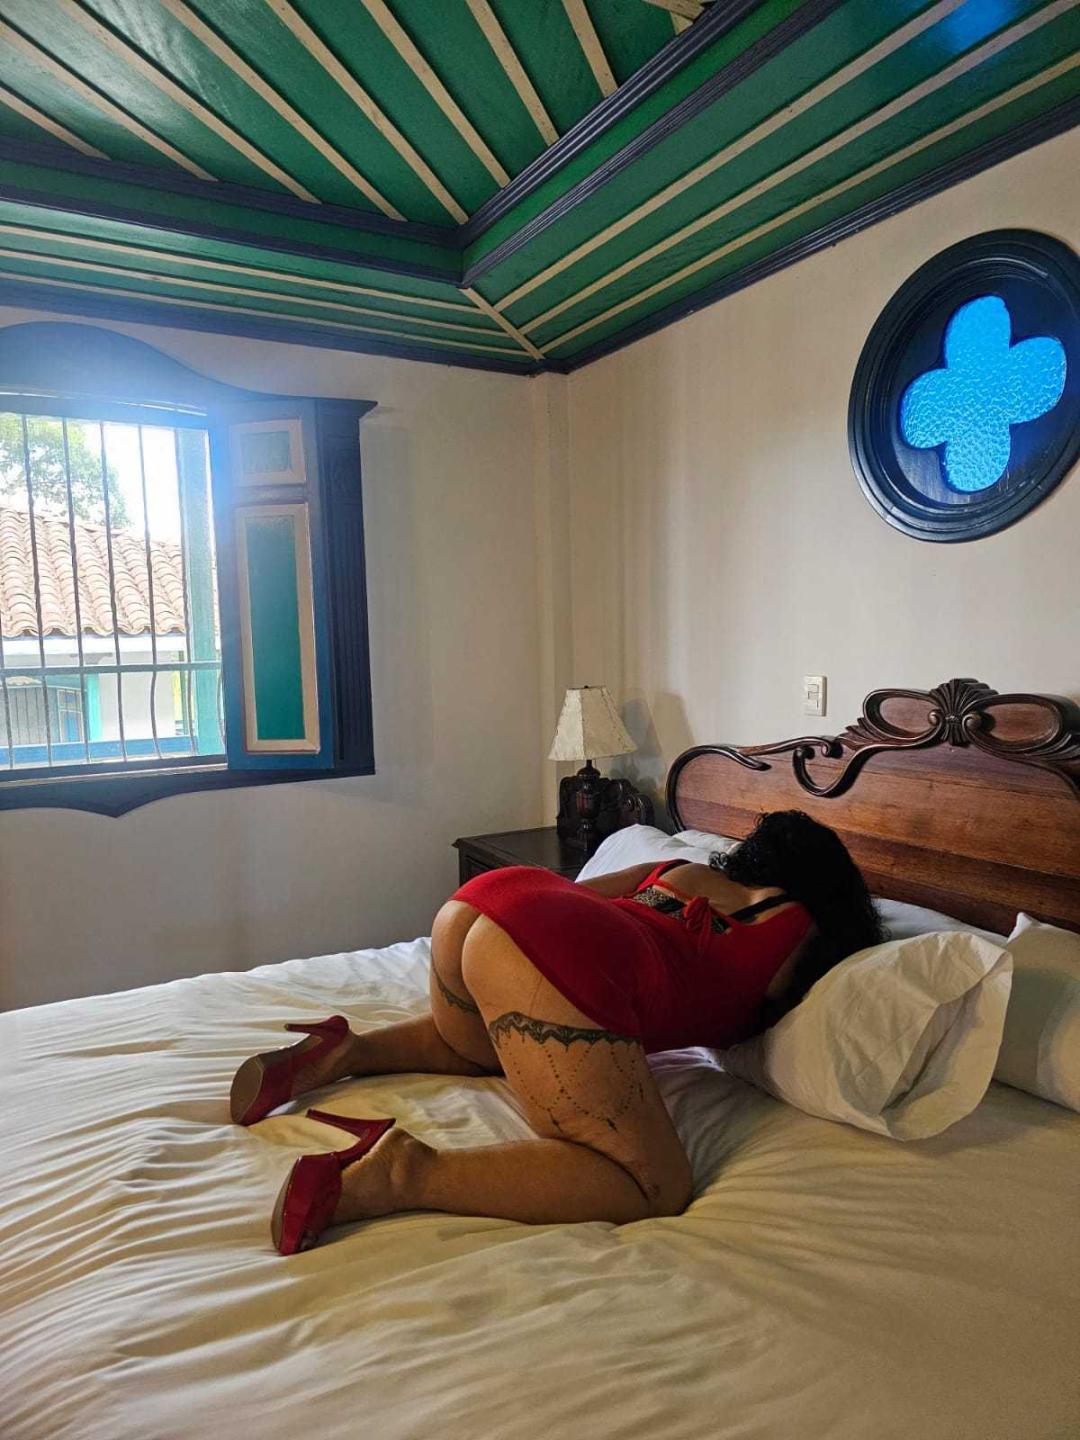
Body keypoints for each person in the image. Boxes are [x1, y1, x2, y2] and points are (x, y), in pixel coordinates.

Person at [231, 810, 883, 1254]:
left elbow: (578, 897)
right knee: (652, 1187)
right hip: (548, 939)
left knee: (490, 1044)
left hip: (483, 905)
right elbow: (782, 998)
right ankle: (403, 1173)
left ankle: (346, 1050)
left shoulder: (678, 869)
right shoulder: (800, 924)